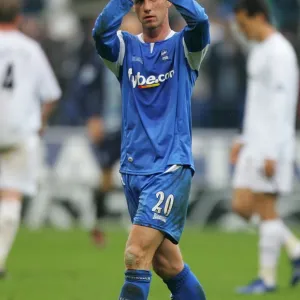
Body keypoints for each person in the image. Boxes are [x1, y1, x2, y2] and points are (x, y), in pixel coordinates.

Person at [92, 0, 210, 299]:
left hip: (170, 167)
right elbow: (100, 33)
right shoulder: (125, 49)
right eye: (140, 1)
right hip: (134, 170)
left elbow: (200, 22)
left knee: (135, 254)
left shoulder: (186, 47)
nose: (147, 7)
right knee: (167, 264)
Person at [230, 0, 300, 294]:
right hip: (254, 141)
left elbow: (283, 106)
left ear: (258, 17)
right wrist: (243, 139)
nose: (242, 31)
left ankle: (267, 279)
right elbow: (256, 102)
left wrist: (273, 151)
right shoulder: (258, 52)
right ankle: (295, 249)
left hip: (274, 143)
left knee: (267, 208)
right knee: (242, 205)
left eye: (244, 24)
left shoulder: (280, 52)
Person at [0, 0, 61, 277]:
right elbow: (51, 95)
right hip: (18, 130)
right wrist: (41, 122)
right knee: (11, 194)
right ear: (20, 17)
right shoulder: (30, 49)